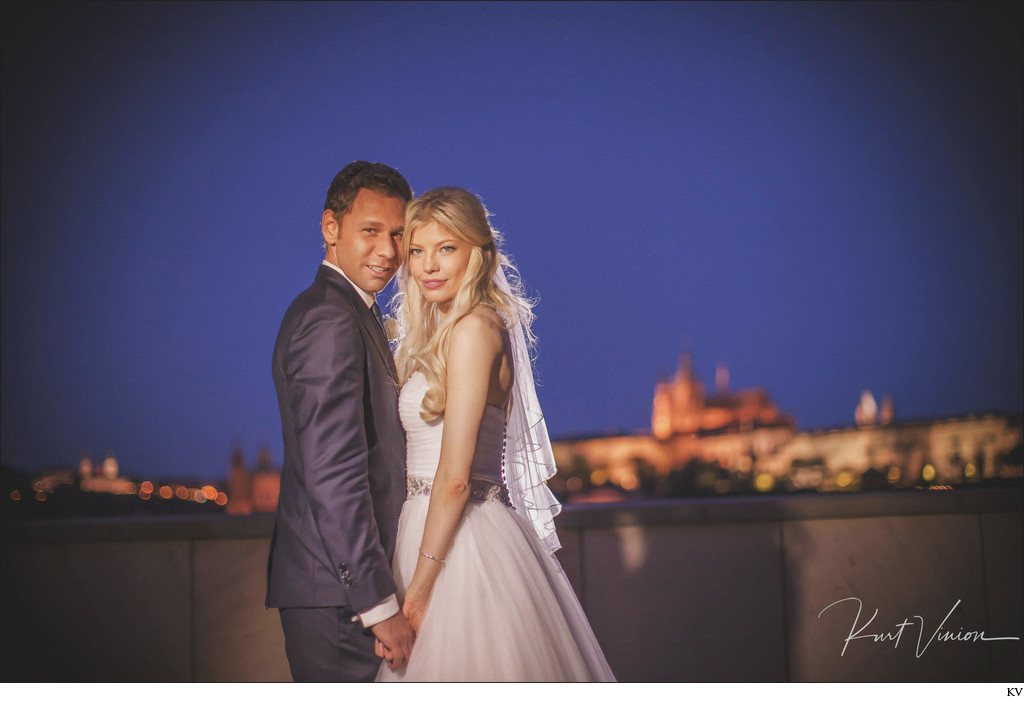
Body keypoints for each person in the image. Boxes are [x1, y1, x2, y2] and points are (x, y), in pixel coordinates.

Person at [376, 187, 615, 681]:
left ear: (477, 253)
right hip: (432, 531)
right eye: (417, 251)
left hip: (457, 546)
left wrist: (418, 596)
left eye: (446, 248)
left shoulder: (471, 330)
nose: (428, 266)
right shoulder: (463, 327)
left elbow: (456, 477)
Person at [266, 161, 417, 681]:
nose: (389, 251)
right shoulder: (329, 318)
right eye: (370, 231)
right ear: (330, 228)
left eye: (399, 234)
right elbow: (334, 474)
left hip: (344, 591)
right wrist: (378, 605)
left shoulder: (351, 310)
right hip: (342, 600)